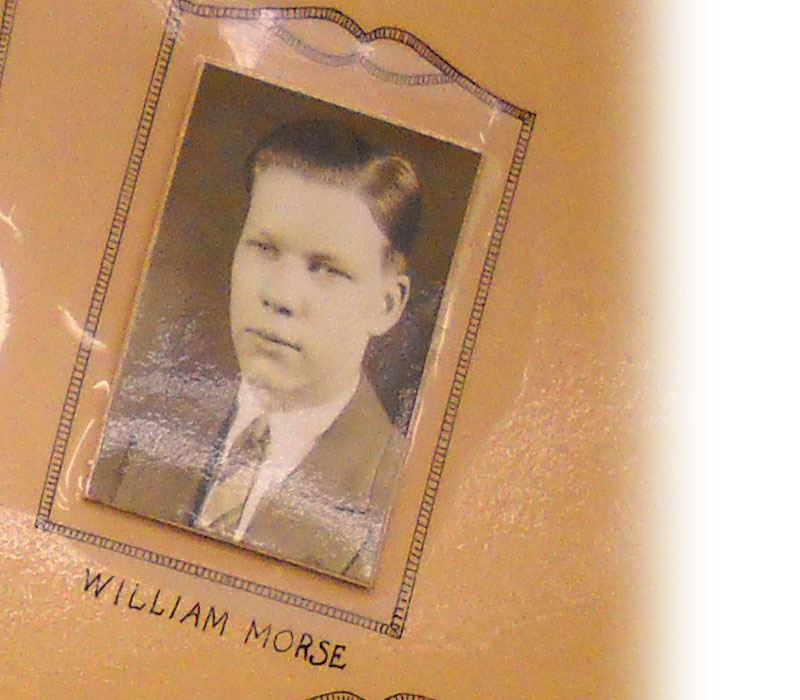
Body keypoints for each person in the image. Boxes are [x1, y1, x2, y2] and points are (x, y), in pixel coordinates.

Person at [86, 120, 422, 586]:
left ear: (386, 305)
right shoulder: (136, 422)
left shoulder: (403, 497)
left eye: (326, 269)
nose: (280, 295)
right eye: (264, 247)